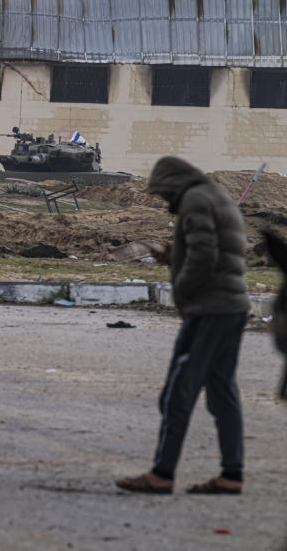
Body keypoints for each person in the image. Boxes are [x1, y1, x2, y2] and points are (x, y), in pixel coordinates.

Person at [116, 156, 250, 495]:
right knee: (222, 391)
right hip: (232, 307)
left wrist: (183, 290)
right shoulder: (214, 195)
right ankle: (231, 473)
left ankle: (162, 473)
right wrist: (176, 256)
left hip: (210, 309)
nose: (166, 204)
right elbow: (218, 250)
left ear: (174, 185)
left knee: (179, 391)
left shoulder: (194, 200)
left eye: (165, 196)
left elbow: (204, 258)